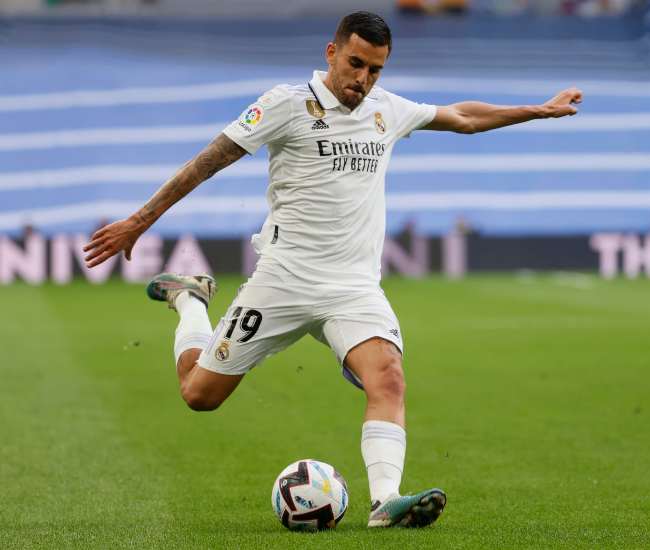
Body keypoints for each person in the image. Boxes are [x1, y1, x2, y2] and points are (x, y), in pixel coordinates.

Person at [83, 11, 582, 528]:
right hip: (283, 281)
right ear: (332, 52)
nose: (362, 80)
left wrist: (539, 110)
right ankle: (189, 299)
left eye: (375, 70)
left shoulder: (387, 109)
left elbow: (462, 116)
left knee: (388, 377)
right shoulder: (285, 104)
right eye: (355, 64)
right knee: (198, 395)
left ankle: (385, 501)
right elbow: (208, 161)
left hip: (353, 288)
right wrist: (139, 221)